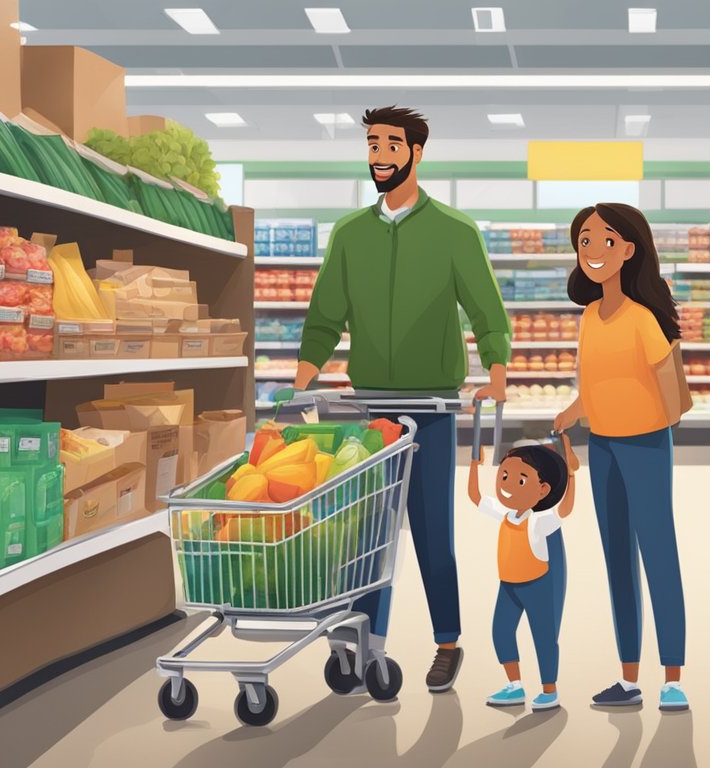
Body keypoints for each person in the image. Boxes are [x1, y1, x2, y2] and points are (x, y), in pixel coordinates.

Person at [295, 106, 511, 693]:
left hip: (433, 408)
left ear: (416, 152)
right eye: (372, 144)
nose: (380, 155)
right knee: (365, 530)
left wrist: (495, 369)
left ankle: (447, 642)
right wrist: (302, 380)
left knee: (431, 529)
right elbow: (324, 318)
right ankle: (360, 643)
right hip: (370, 409)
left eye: (392, 144)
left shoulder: (454, 232)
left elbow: (487, 312)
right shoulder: (350, 234)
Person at [553, 203, 689, 713]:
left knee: (658, 555)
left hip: (646, 445)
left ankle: (673, 677)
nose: (592, 251)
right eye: (584, 241)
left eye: (605, 241)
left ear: (629, 250)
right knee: (617, 562)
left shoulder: (643, 317)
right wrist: (573, 411)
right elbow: (593, 382)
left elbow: (667, 381)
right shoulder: (590, 315)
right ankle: (629, 678)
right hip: (603, 446)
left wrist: (658, 421)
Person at [468, 434, 577, 712]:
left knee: (543, 637)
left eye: (519, 480)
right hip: (509, 586)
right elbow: (476, 497)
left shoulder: (539, 522)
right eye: (504, 475)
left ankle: (549, 691)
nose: (506, 485)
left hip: (537, 586)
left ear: (542, 490)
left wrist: (572, 475)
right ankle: (514, 686)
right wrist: (474, 465)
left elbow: (565, 509)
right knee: (501, 632)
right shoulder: (504, 515)